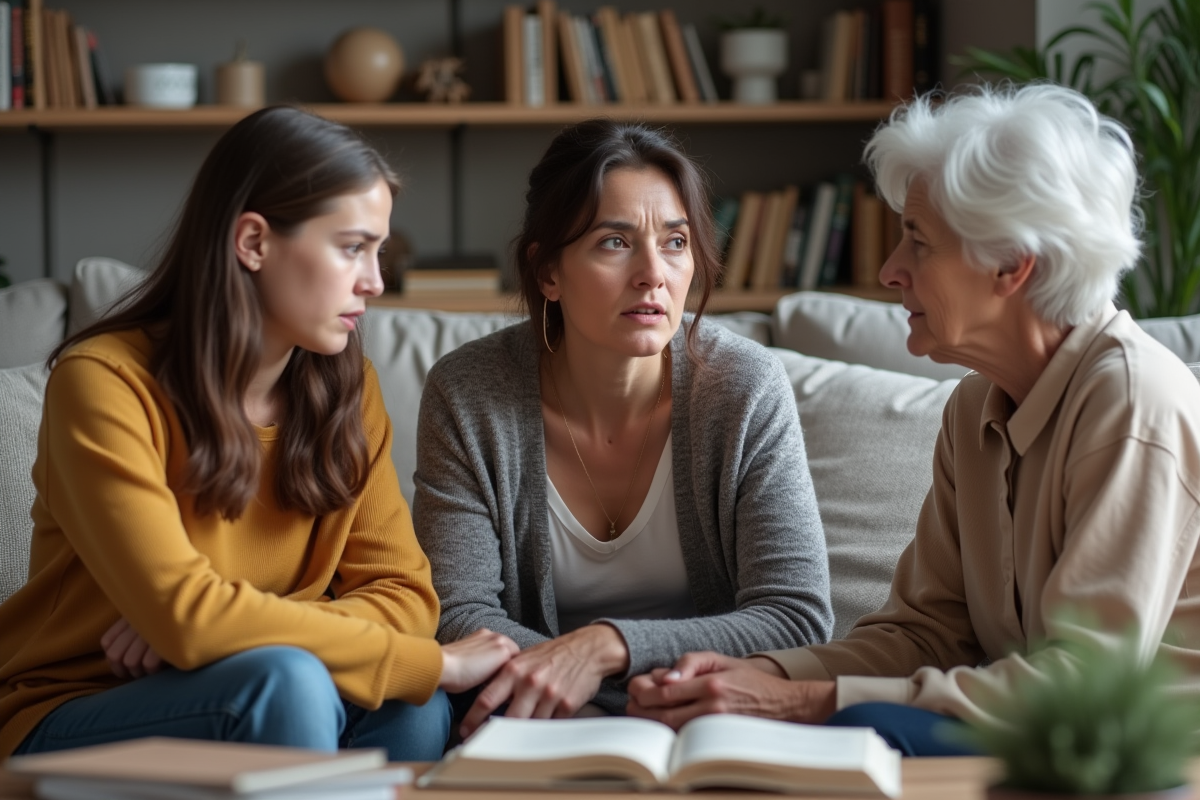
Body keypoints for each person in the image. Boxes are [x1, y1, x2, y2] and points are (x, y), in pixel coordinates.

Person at [626, 83, 1200, 756]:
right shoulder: (974, 408)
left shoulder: (1133, 402)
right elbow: (925, 633)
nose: (889, 270)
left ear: (1011, 265)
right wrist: (762, 674)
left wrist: (801, 702)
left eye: (918, 242)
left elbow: (1083, 682)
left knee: (852, 731)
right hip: (1035, 744)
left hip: (1148, 763)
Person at [0, 106, 519, 761]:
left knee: (409, 706)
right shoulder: (103, 383)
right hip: (74, 707)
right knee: (296, 681)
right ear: (253, 242)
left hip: (263, 682)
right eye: (352, 247)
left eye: (378, 251)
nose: (375, 281)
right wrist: (431, 663)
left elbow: (408, 601)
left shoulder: (347, 389)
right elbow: (187, 615)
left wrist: (223, 630)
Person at [412, 119, 833, 739]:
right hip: (548, 720)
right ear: (548, 273)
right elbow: (456, 612)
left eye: (675, 241)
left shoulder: (744, 388)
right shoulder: (468, 392)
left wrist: (605, 649)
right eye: (614, 242)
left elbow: (796, 616)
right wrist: (580, 696)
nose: (652, 274)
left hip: (705, 716)